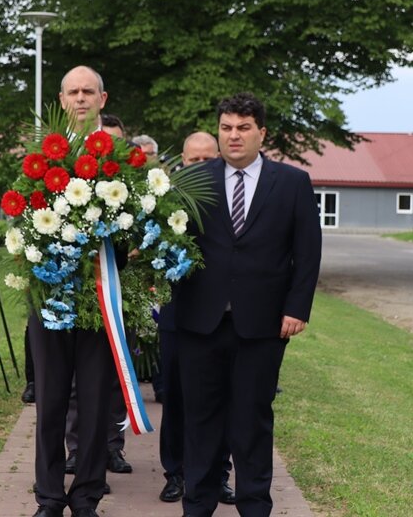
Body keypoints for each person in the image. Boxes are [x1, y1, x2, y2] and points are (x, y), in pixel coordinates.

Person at [174, 92, 322, 517]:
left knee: (252, 421)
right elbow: (172, 244)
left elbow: (307, 252)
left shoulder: (292, 183)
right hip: (199, 321)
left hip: (263, 324)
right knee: (200, 422)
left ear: (262, 133)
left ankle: (255, 506)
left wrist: (297, 309)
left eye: (242, 128)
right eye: (226, 128)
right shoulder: (193, 182)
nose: (233, 136)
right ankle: (197, 506)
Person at [28, 65, 114, 517]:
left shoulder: (124, 158)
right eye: (73, 92)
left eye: (89, 91)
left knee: (96, 403)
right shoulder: (42, 154)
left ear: (103, 99)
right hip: (50, 298)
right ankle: (49, 496)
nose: (81, 98)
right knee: (51, 401)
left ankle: (86, 495)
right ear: (61, 100)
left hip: (101, 298)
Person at [157, 131, 235, 506]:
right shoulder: (166, 199)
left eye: (209, 161)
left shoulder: (233, 201)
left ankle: (218, 475)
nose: (201, 168)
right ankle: (176, 473)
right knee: (176, 396)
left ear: (219, 158)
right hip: (179, 314)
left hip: (223, 317)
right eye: (193, 161)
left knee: (222, 398)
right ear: (181, 163)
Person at [64, 111, 133, 480]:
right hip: (81, 291)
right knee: (79, 380)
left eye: (116, 141)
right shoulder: (80, 176)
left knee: (117, 374)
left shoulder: (130, 180)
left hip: (121, 289)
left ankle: (112, 447)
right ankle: (77, 449)